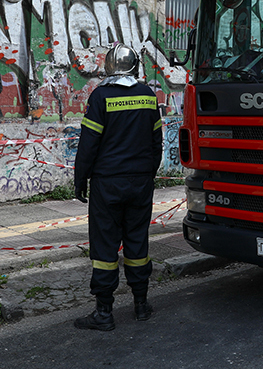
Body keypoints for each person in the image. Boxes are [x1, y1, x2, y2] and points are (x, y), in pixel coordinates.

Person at [73, 44, 163, 331]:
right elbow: (156, 143)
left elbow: (89, 144)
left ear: (109, 67)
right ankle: (141, 305)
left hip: (107, 183)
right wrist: (148, 174)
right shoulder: (148, 96)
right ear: (135, 66)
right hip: (140, 183)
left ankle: (104, 312)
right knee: (137, 243)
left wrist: (80, 179)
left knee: (104, 247)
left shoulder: (101, 97)